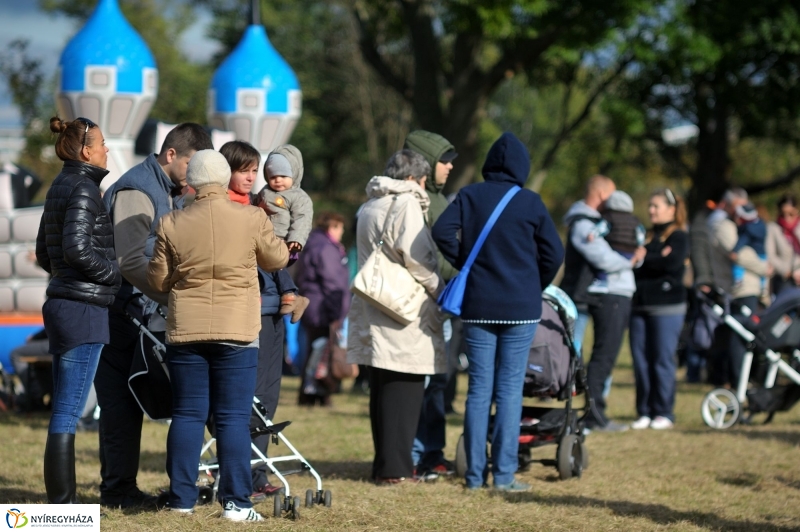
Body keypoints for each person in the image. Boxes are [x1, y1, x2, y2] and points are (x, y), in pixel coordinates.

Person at [147, 149, 288, 519]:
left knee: (187, 414)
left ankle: (181, 501)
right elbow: (276, 259)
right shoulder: (251, 217)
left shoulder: (170, 222)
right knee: (232, 418)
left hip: (186, 329)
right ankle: (237, 504)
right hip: (237, 329)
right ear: (226, 179)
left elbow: (158, 280)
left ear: (191, 181)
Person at [432, 132, 564, 492]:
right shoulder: (530, 201)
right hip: (521, 307)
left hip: (478, 304)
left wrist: (465, 262)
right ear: (522, 167)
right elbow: (554, 253)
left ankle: (475, 476)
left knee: (478, 390)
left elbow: (442, 231)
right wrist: (534, 283)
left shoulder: (470, 195)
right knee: (509, 390)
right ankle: (504, 476)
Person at [100, 123, 213, 508]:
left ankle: (129, 488)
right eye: (191, 165)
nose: (195, 175)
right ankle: (118, 491)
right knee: (120, 406)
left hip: (142, 310)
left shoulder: (168, 189)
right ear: (171, 154)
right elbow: (131, 260)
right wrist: (173, 298)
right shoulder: (137, 189)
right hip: (120, 312)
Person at [35, 116, 121, 503]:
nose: (107, 149)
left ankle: (61, 503)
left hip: (61, 303)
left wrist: (68, 276)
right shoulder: (85, 188)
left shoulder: (61, 184)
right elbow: (76, 248)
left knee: (64, 407)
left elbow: (44, 252)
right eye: (102, 144)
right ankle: (63, 506)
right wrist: (113, 275)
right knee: (69, 410)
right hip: (82, 309)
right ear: (87, 151)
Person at [347, 150, 446, 485]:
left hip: (374, 302)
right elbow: (419, 257)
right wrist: (441, 290)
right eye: (423, 181)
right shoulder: (406, 203)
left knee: (382, 388)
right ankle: (396, 469)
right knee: (405, 389)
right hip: (402, 306)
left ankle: (385, 465)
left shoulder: (370, 203)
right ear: (413, 178)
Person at [219, 140, 305, 501]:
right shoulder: (217, 208)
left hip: (271, 312)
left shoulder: (261, 205)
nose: (251, 177)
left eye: (254, 170)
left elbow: (277, 256)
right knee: (241, 398)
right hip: (239, 313)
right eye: (243, 170)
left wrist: (290, 287)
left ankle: (255, 473)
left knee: (266, 396)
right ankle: (236, 474)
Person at [561, 175, 644, 432]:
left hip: (603, 293)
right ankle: (590, 414)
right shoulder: (584, 223)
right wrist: (630, 260)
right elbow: (602, 257)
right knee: (591, 355)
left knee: (600, 356)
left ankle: (592, 411)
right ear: (601, 194)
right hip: (596, 295)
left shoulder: (601, 221)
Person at [404, 130, 459, 480]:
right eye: (444, 160)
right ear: (425, 162)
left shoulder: (438, 200)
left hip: (442, 304)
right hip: (419, 305)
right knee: (419, 383)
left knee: (438, 381)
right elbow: (423, 257)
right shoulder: (413, 200)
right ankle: (411, 456)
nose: (450, 166)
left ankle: (433, 454)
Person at [629, 189, 689, 430]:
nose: (651, 210)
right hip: (639, 305)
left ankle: (663, 412)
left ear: (671, 209)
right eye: (650, 206)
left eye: (656, 206)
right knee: (641, 361)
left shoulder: (679, 236)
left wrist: (646, 258)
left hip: (667, 307)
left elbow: (672, 264)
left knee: (662, 360)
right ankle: (644, 411)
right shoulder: (645, 234)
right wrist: (654, 257)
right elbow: (634, 264)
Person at [708, 189, 771, 388]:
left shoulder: (744, 225)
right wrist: (765, 267)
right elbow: (739, 255)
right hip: (739, 290)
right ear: (728, 206)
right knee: (739, 336)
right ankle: (738, 382)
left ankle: (746, 378)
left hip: (751, 288)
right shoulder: (724, 227)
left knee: (746, 335)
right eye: (738, 206)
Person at [295, 212, 351, 406]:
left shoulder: (314, 244)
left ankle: (315, 393)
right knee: (320, 352)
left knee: (316, 350)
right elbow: (332, 282)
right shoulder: (326, 248)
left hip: (315, 305)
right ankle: (315, 393)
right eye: (340, 228)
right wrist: (336, 312)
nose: (341, 232)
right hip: (322, 308)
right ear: (332, 226)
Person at [587, 191, 646, 294]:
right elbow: (640, 233)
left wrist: (593, 234)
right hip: (630, 250)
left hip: (615, 247)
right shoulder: (635, 220)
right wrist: (640, 245)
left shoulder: (610, 217)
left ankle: (602, 282)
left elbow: (602, 228)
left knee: (603, 268)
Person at [731, 202, 768, 299]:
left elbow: (743, 240)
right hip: (762, 252)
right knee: (763, 274)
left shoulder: (748, 229)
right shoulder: (762, 225)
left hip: (753, 252)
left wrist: (735, 250)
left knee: (738, 265)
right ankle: (763, 287)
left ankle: (738, 280)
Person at [767, 193, 800, 294]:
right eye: (783, 214)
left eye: (790, 214)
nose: (787, 218)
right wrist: (786, 271)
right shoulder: (773, 228)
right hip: (784, 278)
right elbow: (770, 255)